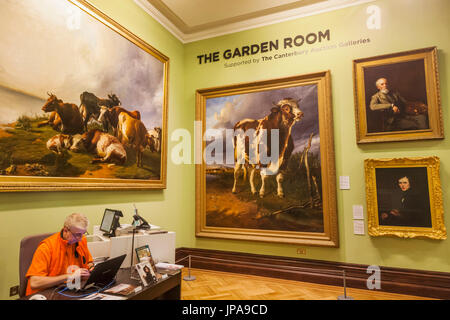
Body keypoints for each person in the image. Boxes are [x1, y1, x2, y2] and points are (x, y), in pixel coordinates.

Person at [25, 213, 94, 296]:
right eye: (77, 235)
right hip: (46, 293)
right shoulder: (46, 248)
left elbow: (88, 262)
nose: (80, 239)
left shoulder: (82, 240)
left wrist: (91, 268)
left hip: (70, 289)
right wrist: (70, 276)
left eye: (83, 233)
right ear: (65, 230)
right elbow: (34, 283)